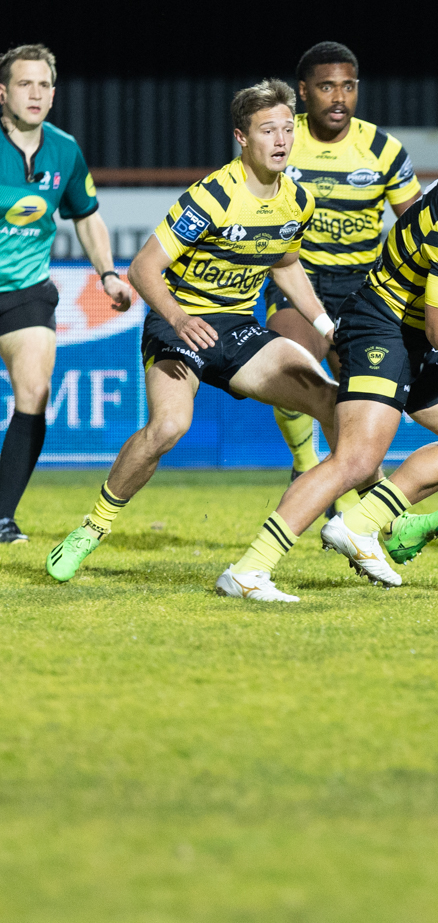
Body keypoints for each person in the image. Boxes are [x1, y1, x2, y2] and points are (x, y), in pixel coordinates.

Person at [218, 107, 438, 602]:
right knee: (354, 459)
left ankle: (362, 523)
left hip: (417, 327)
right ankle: (248, 571)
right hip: (382, 326)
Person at [45, 81, 341, 584]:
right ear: (241, 138)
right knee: (169, 428)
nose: (281, 139)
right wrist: (180, 319)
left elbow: (285, 263)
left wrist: (322, 325)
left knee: (335, 403)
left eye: (288, 129)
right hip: (177, 322)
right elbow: (143, 268)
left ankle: (364, 522)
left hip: (236, 328)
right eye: (267, 129)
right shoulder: (212, 196)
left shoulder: (297, 199)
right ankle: (92, 528)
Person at [266, 42, 421, 503]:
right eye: (326, 86)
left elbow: (414, 224)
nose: (339, 97)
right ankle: (305, 463)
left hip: (364, 288)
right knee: (288, 358)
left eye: (348, 86)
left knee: (356, 400)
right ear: (302, 91)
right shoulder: (279, 138)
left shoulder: (383, 149)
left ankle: (347, 499)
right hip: (299, 278)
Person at [0, 44, 132, 543]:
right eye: (23, 84)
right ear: (3, 92)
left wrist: (108, 275)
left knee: (34, 392)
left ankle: (1, 517)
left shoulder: (64, 150)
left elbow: (87, 215)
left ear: (53, 94)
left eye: (43, 85)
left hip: (27, 293)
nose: (34, 93)